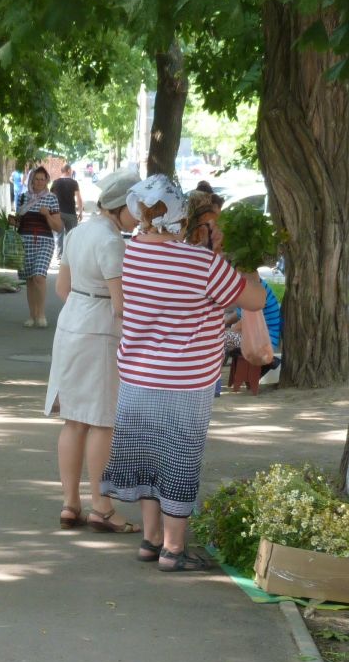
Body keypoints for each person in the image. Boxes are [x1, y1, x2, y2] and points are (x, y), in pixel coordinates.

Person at [101, 177, 267, 572]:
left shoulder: (133, 253)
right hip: (184, 381)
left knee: (148, 459)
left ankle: (150, 537)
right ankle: (173, 549)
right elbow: (255, 299)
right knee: (178, 461)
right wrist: (250, 266)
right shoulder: (204, 265)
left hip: (138, 378)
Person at [44, 168, 140, 534]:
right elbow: (121, 305)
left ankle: (71, 504)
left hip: (72, 322)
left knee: (74, 419)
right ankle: (101, 506)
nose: (141, 215)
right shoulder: (113, 241)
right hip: (100, 329)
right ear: (121, 206)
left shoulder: (79, 232)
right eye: (137, 207)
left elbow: (62, 289)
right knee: (102, 420)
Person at [16, 167, 62, 328]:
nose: (40, 182)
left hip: (45, 242)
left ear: (47, 181)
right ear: (31, 181)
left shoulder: (51, 199)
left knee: (39, 276)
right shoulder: (22, 198)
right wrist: (11, 222)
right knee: (29, 279)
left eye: (43, 179)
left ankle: (41, 314)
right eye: (37, 179)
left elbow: (58, 227)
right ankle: (32, 315)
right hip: (25, 241)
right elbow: (18, 222)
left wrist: (47, 215)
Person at [51, 163, 83, 254]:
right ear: (68, 170)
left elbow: (51, 197)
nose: (72, 171)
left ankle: (59, 255)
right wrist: (80, 212)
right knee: (72, 235)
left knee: (59, 234)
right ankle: (70, 255)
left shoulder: (55, 182)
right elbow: (79, 198)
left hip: (58, 213)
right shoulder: (74, 183)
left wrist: (51, 212)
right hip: (70, 213)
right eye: (71, 169)